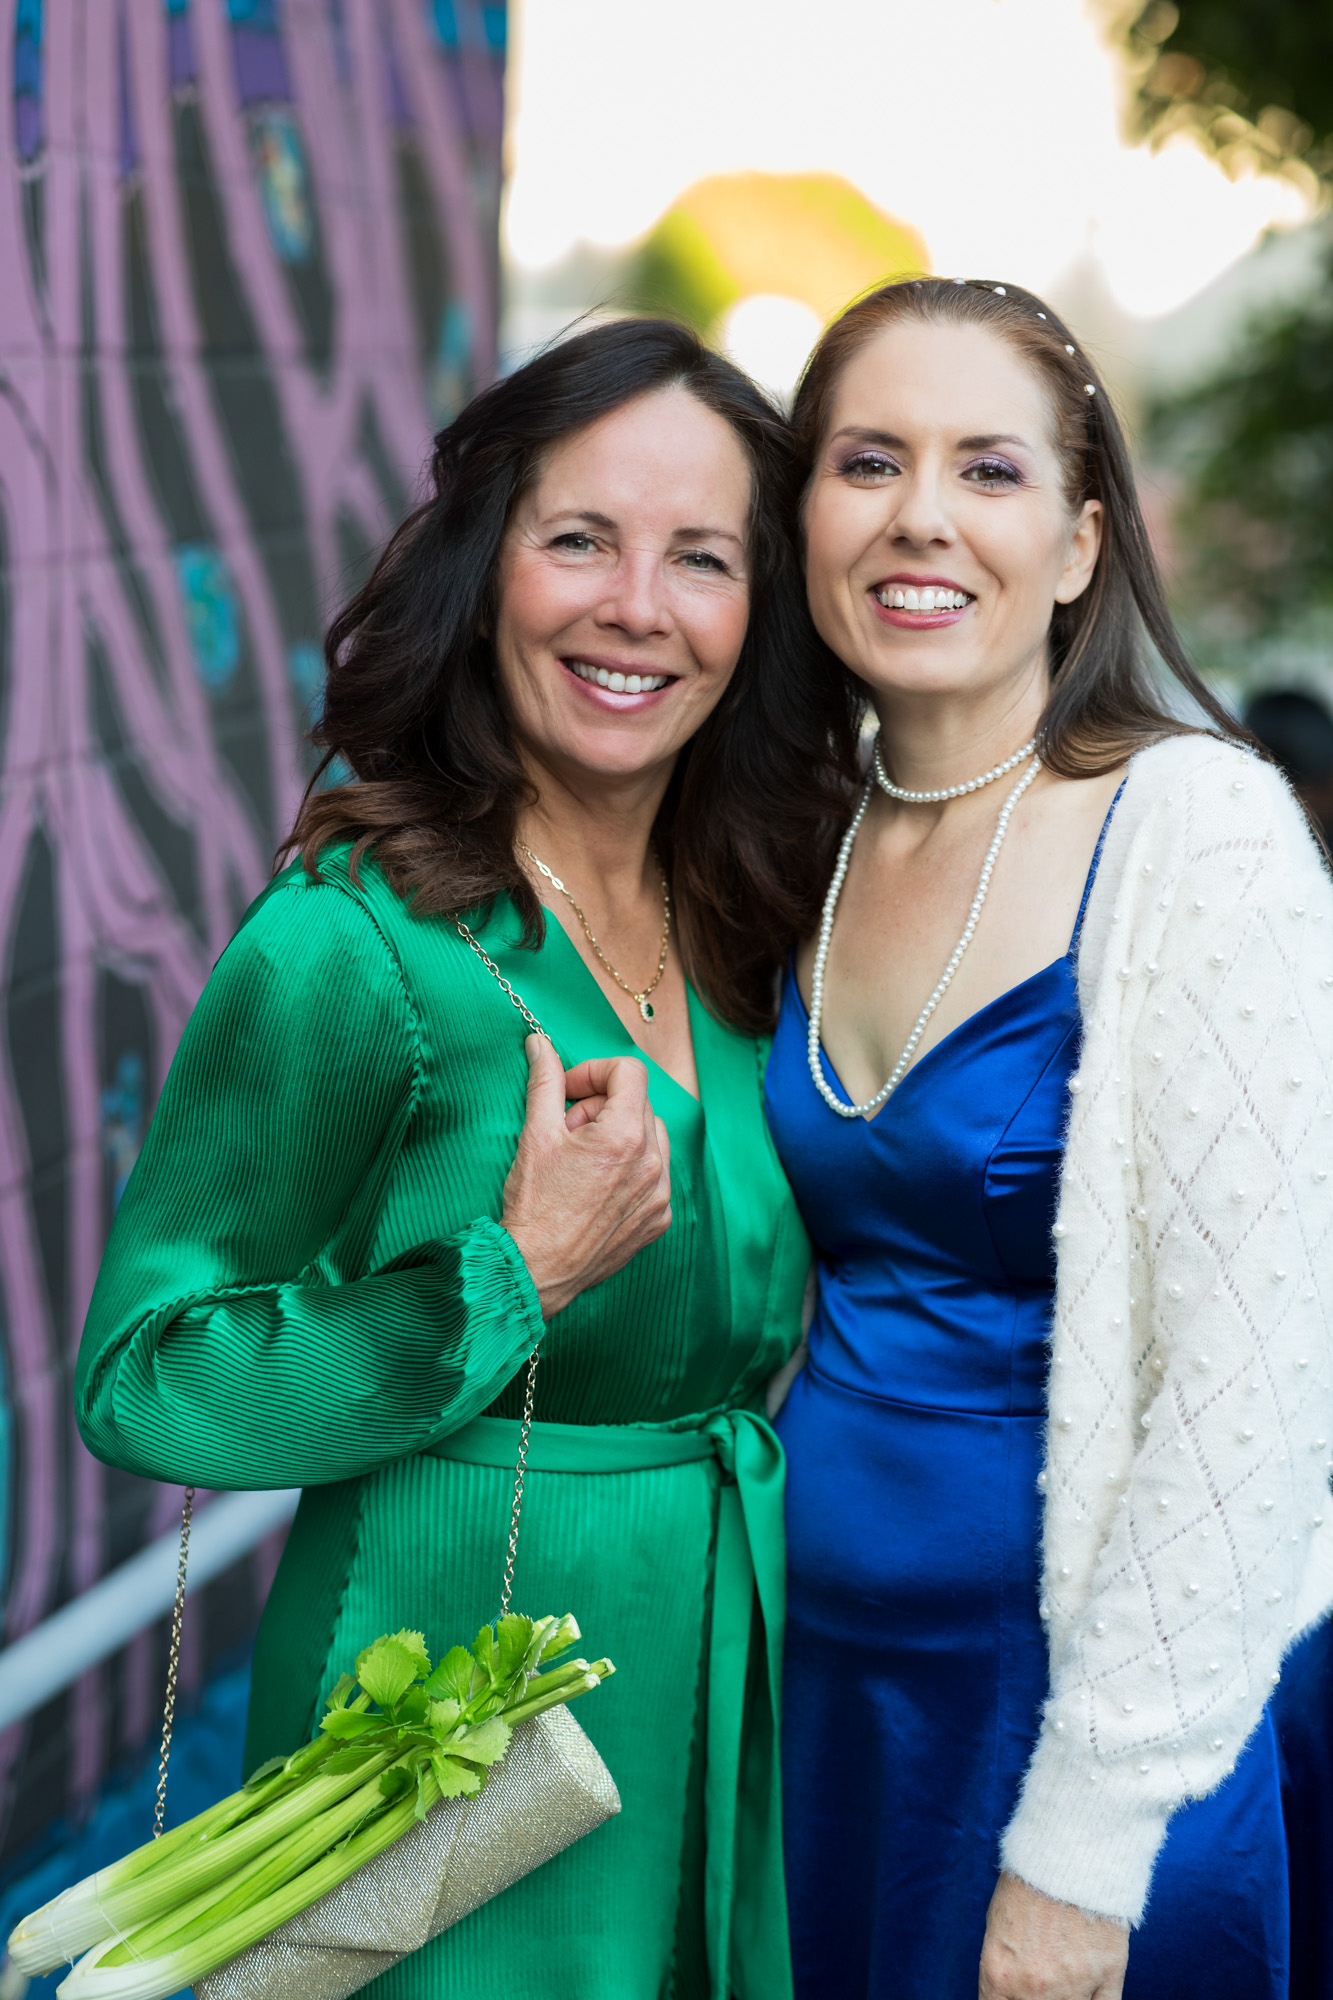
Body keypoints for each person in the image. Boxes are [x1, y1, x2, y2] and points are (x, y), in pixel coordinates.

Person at [75, 319, 856, 2000]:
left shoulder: (759, 922)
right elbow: (140, 1382)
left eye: (700, 557)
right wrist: (511, 1278)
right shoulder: (351, 939)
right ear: (484, 567)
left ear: (760, 608)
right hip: (436, 1688)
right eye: (578, 539)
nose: (635, 606)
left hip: (710, 1654)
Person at [763, 277, 1333, 2000]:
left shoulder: (1199, 835)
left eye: (987, 469)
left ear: (1081, 545)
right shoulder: (798, 837)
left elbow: (1256, 1390)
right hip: (815, 1705)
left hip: (1083, 1732)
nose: (919, 515)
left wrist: (1083, 1854)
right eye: (868, 461)